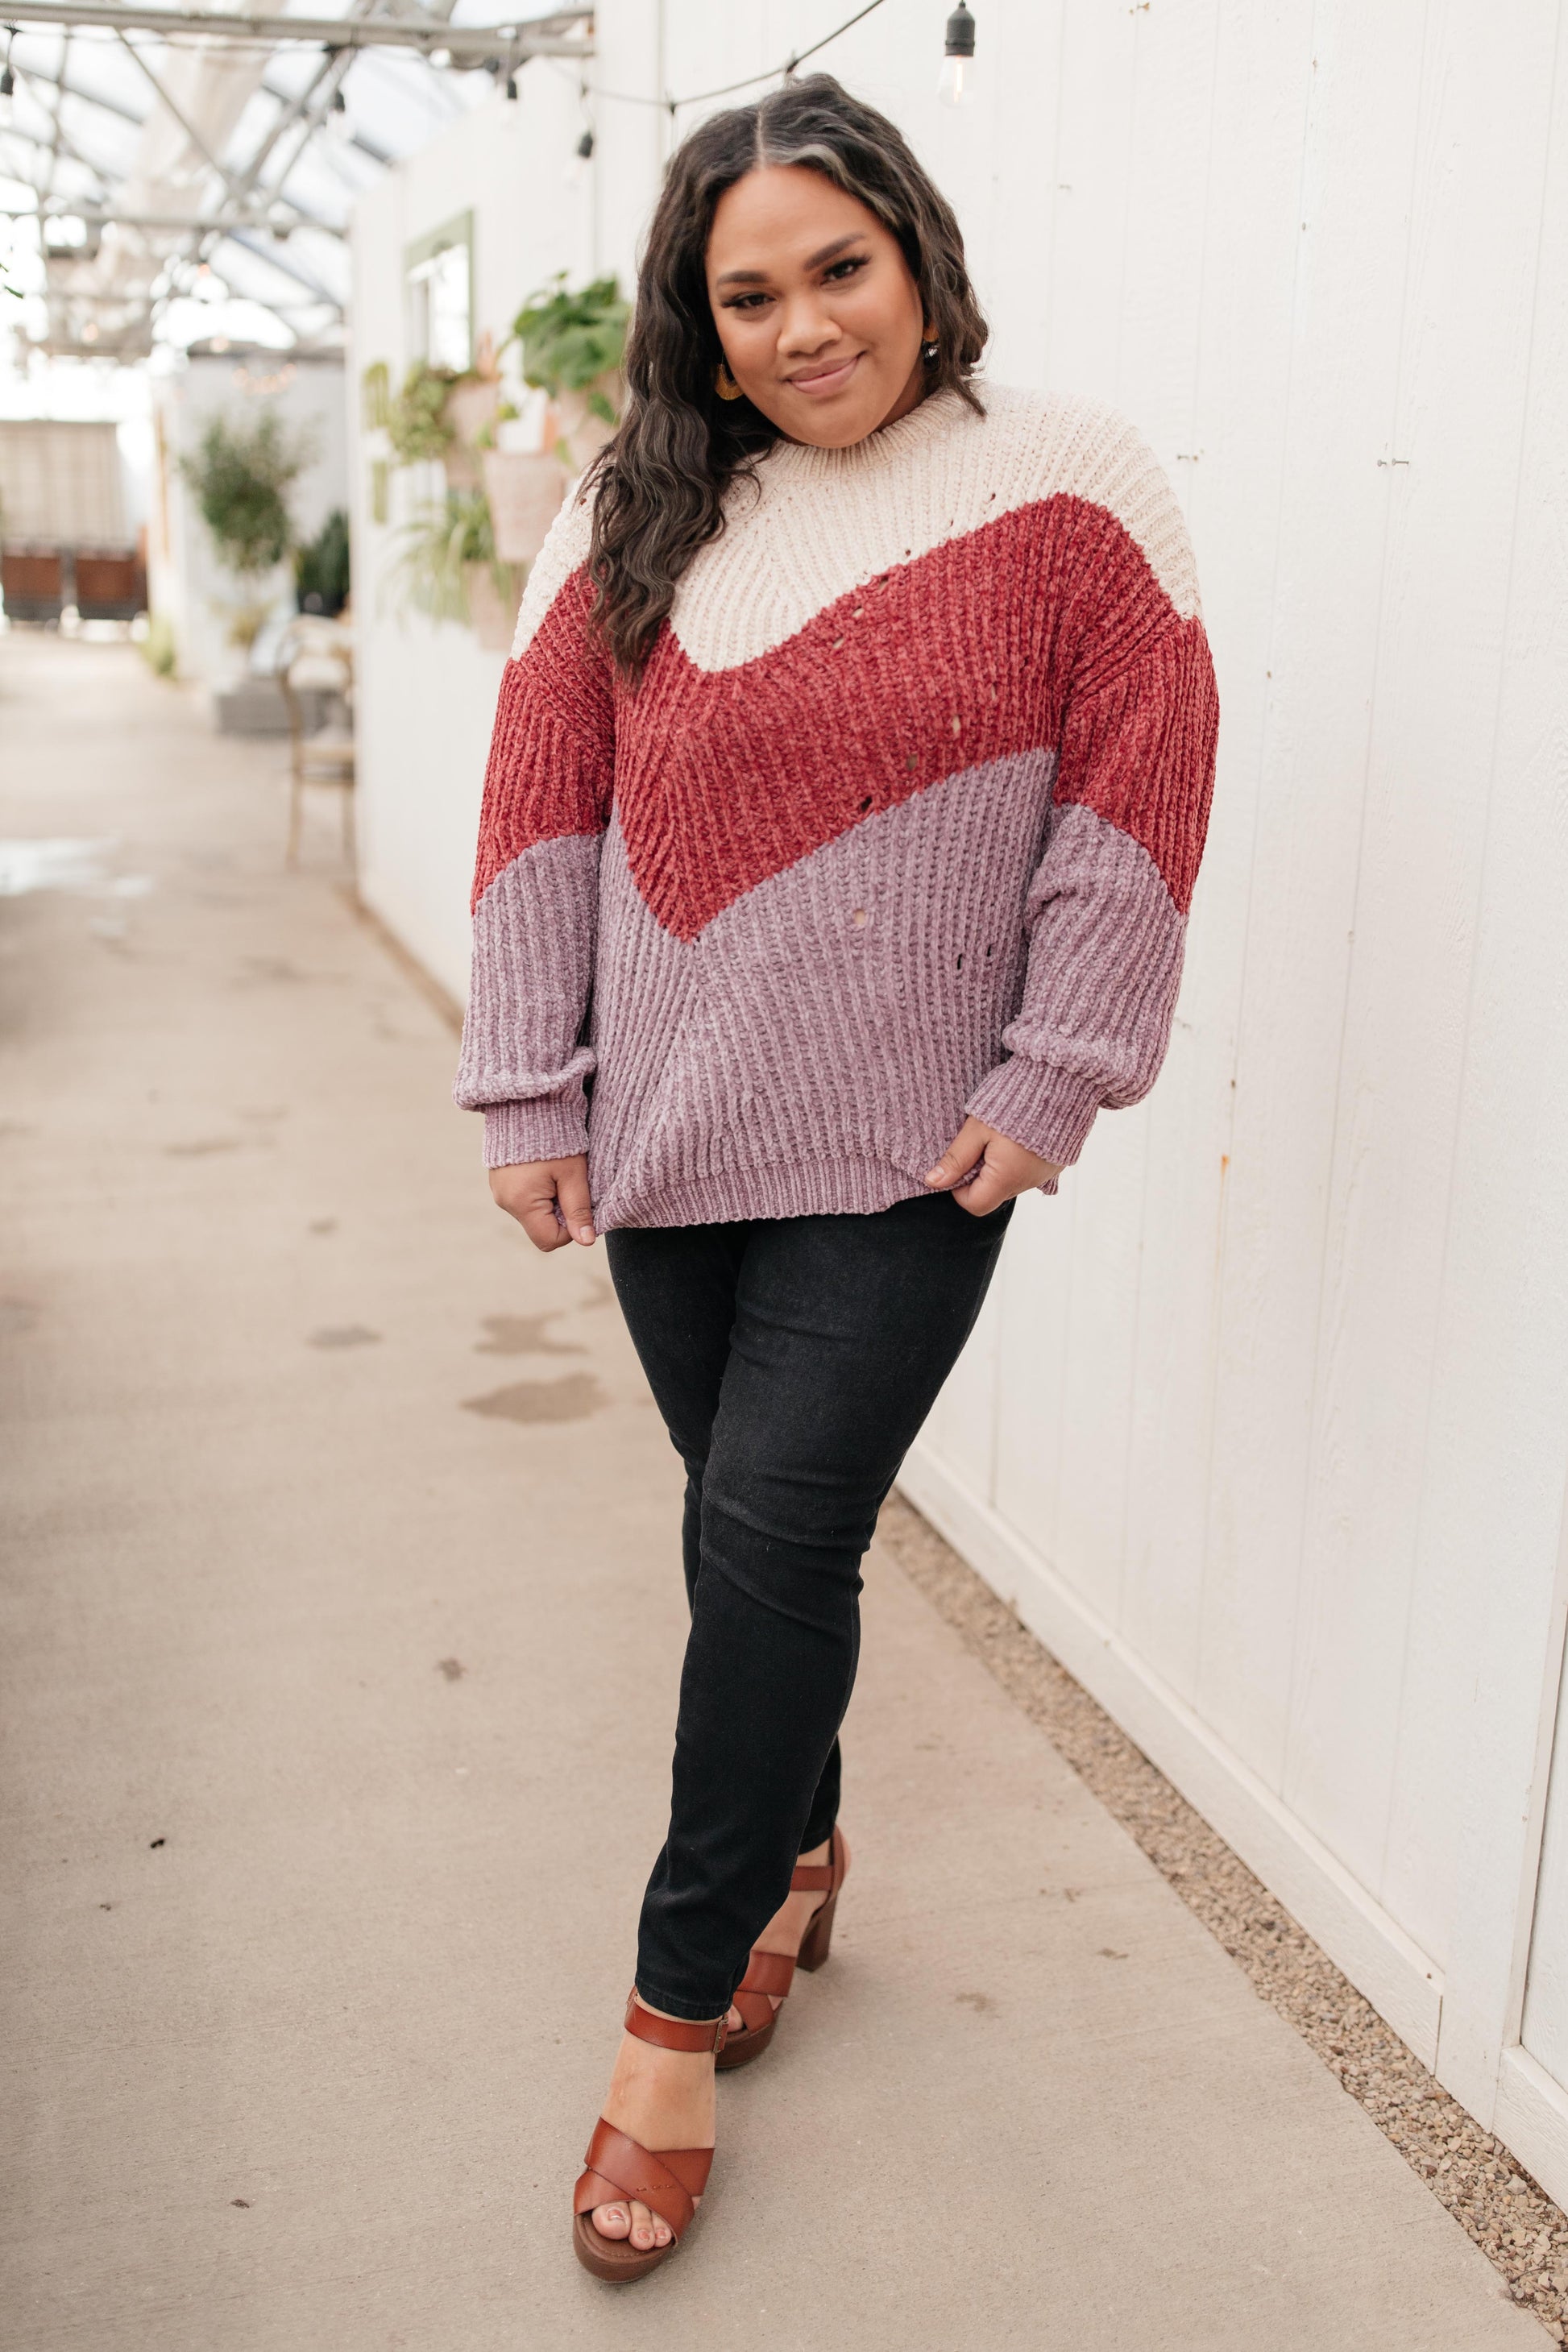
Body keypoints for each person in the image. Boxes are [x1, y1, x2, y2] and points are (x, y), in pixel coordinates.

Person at [455, 73, 1218, 2282]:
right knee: (749, 1537)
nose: (803, 327)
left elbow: (1139, 784)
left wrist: (1063, 1067)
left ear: (918, 252)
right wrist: (528, 1089)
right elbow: (540, 799)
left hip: (910, 1153)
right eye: (748, 295)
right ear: (695, 322)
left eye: (839, 269)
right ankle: (801, 1857)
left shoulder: (1071, 483)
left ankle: (665, 2026)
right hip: (671, 1133)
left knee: (777, 1536)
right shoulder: (636, 503)